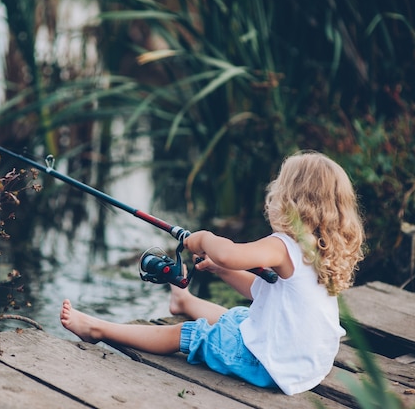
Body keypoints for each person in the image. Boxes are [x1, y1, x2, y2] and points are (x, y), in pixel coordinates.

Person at [59, 151, 365, 395]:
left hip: (272, 366)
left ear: (289, 201)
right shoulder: (322, 249)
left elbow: (230, 253)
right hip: (307, 362)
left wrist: (205, 239)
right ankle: (185, 303)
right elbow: (261, 291)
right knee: (238, 319)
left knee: (189, 335)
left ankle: (97, 329)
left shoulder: (283, 246)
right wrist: (222, 270)